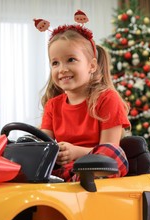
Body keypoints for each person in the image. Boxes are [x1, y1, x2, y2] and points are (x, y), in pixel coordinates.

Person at [37, 12, 130, 181]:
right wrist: (53, 152)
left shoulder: (108, 99)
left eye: (71, 59)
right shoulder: (53, 105)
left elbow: (109, 150)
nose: (62, 69)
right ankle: (69, 180)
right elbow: (43, 144)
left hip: (98, 166)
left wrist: (75, 152)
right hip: (64, 170)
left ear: (92, 65)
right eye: (55, 63)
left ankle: (78, 179)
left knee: (114, 153)